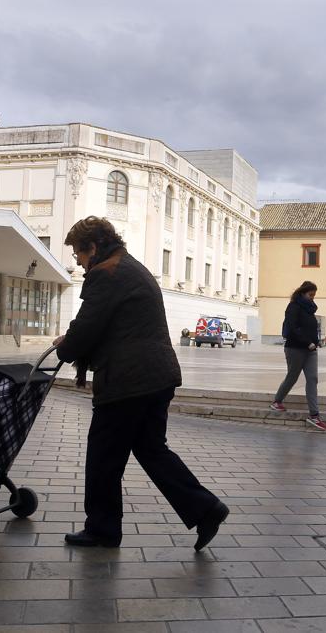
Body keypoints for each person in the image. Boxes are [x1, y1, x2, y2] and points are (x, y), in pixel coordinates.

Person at [53, 216, 228, 551]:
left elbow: (89, 325)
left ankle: (103, 530)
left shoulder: (107, 273)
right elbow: (107, 321)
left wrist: (68, 346)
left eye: (78, 254)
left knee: (104, 455)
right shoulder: (129, 266)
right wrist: (74, 339)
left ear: (93, 247)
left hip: (128, 380)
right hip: (157, 375)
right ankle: (205, 509)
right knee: (151, 449)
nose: (78, 262)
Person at [271, 281, 326, 430]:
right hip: (295, 348)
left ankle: (314, 415)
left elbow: (311, 328)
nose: (313, 298)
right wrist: (307, 342)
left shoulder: (310, 310)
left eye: (314, 295)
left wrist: (315, 342)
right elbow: (293, 327)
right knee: (292, 376)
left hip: (311, 350)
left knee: (312, 379)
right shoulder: (293, 307)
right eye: (311, 295)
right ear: (303, 293)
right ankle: (277, 401)